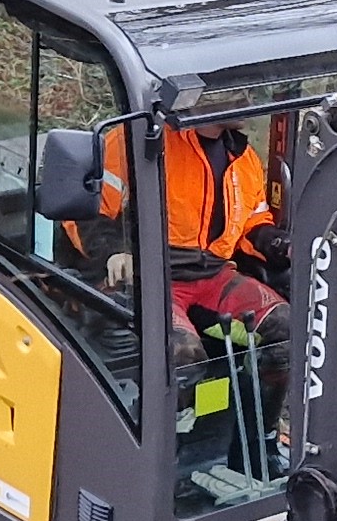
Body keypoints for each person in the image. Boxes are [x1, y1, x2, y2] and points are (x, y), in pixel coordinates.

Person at [80, 119, 292, 350]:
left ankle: (265, 385)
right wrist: (114, 252)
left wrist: (283, 245)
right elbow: (86, 213)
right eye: (238, 87)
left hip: (214, 276)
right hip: (148, 277)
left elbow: (253, 224)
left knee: (290, 328)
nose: (250, 96)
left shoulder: (244, 158)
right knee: (182, 354)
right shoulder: (135, 142)